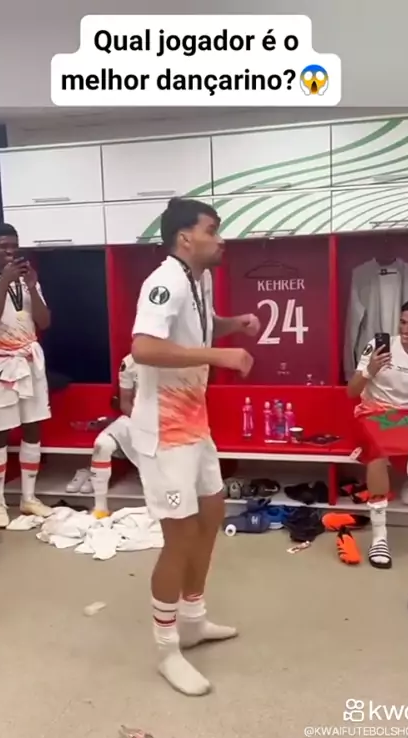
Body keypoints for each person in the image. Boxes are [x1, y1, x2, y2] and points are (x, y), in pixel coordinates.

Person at [131, 196, 259, 696]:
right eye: (212, 230)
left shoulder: (197, 279)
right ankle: (167, 650)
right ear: (185, 238)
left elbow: (198, 325)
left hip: (194, 422)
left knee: (212, 513)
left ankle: (193, 618)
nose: (220, 239)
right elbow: (144, 346)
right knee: (179, 535)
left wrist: (233, 323)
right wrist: (219, 356)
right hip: (165, 430)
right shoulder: (164, 280)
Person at [0, 223, 53, 528]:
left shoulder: (28, 278)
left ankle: (29, 498)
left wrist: (31, 286)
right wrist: (5, 280)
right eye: (3, 246)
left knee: (33, 428)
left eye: (14, 246)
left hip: (29, 360)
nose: (10, 251)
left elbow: (44, 321)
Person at [347, 297, 408, 569]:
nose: (405, 329)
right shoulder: (379, 347)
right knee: (377, 452)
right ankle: (379, 536)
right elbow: (351, 391)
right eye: (402, 322)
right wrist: (370, 370)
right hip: (372, 411)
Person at [90, 352, 139, 518]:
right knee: (102, 445)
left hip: (170, 423)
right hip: (137, 419)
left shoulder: (174, 360)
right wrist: (142, 422)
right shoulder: (130, 362)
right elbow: (125, 403)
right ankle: (100, 509)